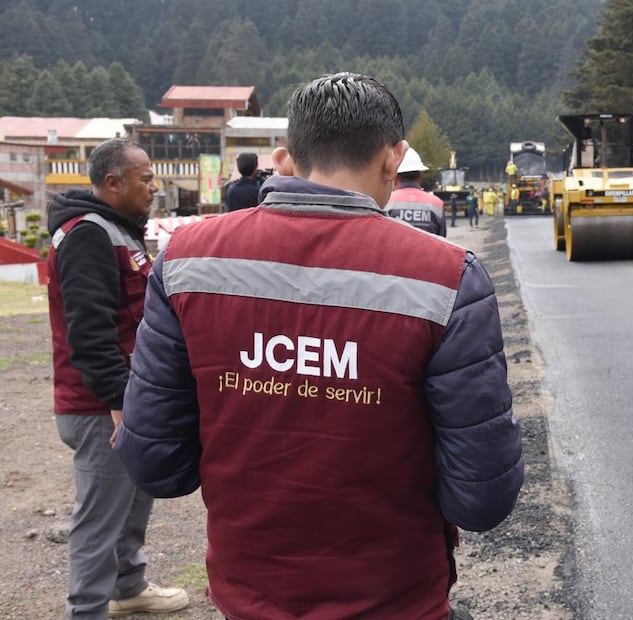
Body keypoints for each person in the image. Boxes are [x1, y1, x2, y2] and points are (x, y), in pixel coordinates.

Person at [115, 73, 524, 620]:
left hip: (249, 594)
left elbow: (155, 462)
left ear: (284, 158)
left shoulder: (188, 262)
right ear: (393, 159)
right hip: (395, 596)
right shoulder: (447, 280)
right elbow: (482, 497)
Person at [45, 138, 189, 619]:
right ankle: (85, 610)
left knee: (134, 499)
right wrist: (118, 402)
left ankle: (129, 587)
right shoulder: (88, 234)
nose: (153, 187)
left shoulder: (117, 230)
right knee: (100, 516)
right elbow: (89, 330)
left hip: (131, 397)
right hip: (100, 407)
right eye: (145, 178)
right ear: (113, 182)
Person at [385, 146, 446, 236]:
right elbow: (442, 240)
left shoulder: (387, 202)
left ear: (395, 178)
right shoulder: (436, 204)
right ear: (420, 178)